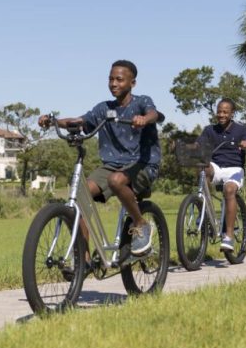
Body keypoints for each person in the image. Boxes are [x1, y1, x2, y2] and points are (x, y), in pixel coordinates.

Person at [38, 60, 161, 255]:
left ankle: (141, 224)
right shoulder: (104, 109)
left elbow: (153, 114)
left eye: (119, 79)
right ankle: (84, 259)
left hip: (142, 163)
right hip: (112, 165)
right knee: (80, 196)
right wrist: (54, 121)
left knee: (116, 180)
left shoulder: (142, 102)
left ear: (132, 83)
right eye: (110, 79)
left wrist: (144, 119)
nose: (113, 83)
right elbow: (79, 121)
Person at [196, 98, 246, 251]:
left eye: (225, 112)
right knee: (202, 169)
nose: (221, 115)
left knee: (229, 190)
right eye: (219, 111)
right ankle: (204, 212)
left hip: (234, 169)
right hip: (216, 167)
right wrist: (186, 145)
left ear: (232, 113)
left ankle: (228, 236)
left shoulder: (242, 129)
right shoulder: (209, 130)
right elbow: (198, 144)